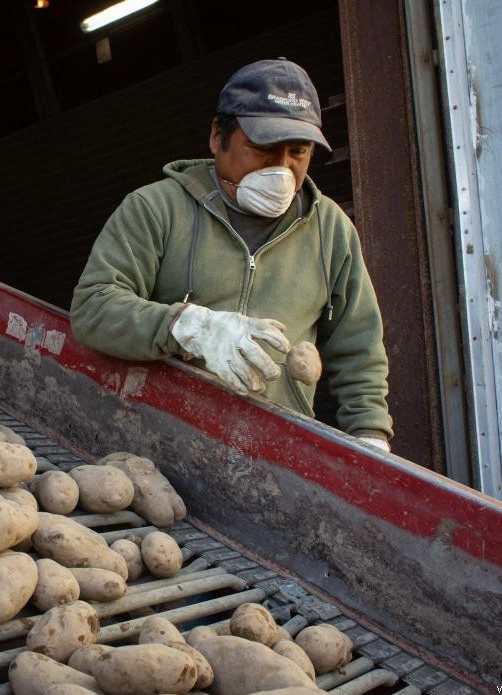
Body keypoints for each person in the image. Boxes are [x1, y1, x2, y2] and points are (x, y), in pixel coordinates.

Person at [69, 58, 393, 451]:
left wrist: (370, 438)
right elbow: (94, 308)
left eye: (298, 151)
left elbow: (358, 347)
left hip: (272, 451)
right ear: (216, 137)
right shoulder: (156, 209)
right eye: (261, 148)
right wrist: (190, 328)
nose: (282, 169)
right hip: (154, 438)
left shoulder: (331, 230)